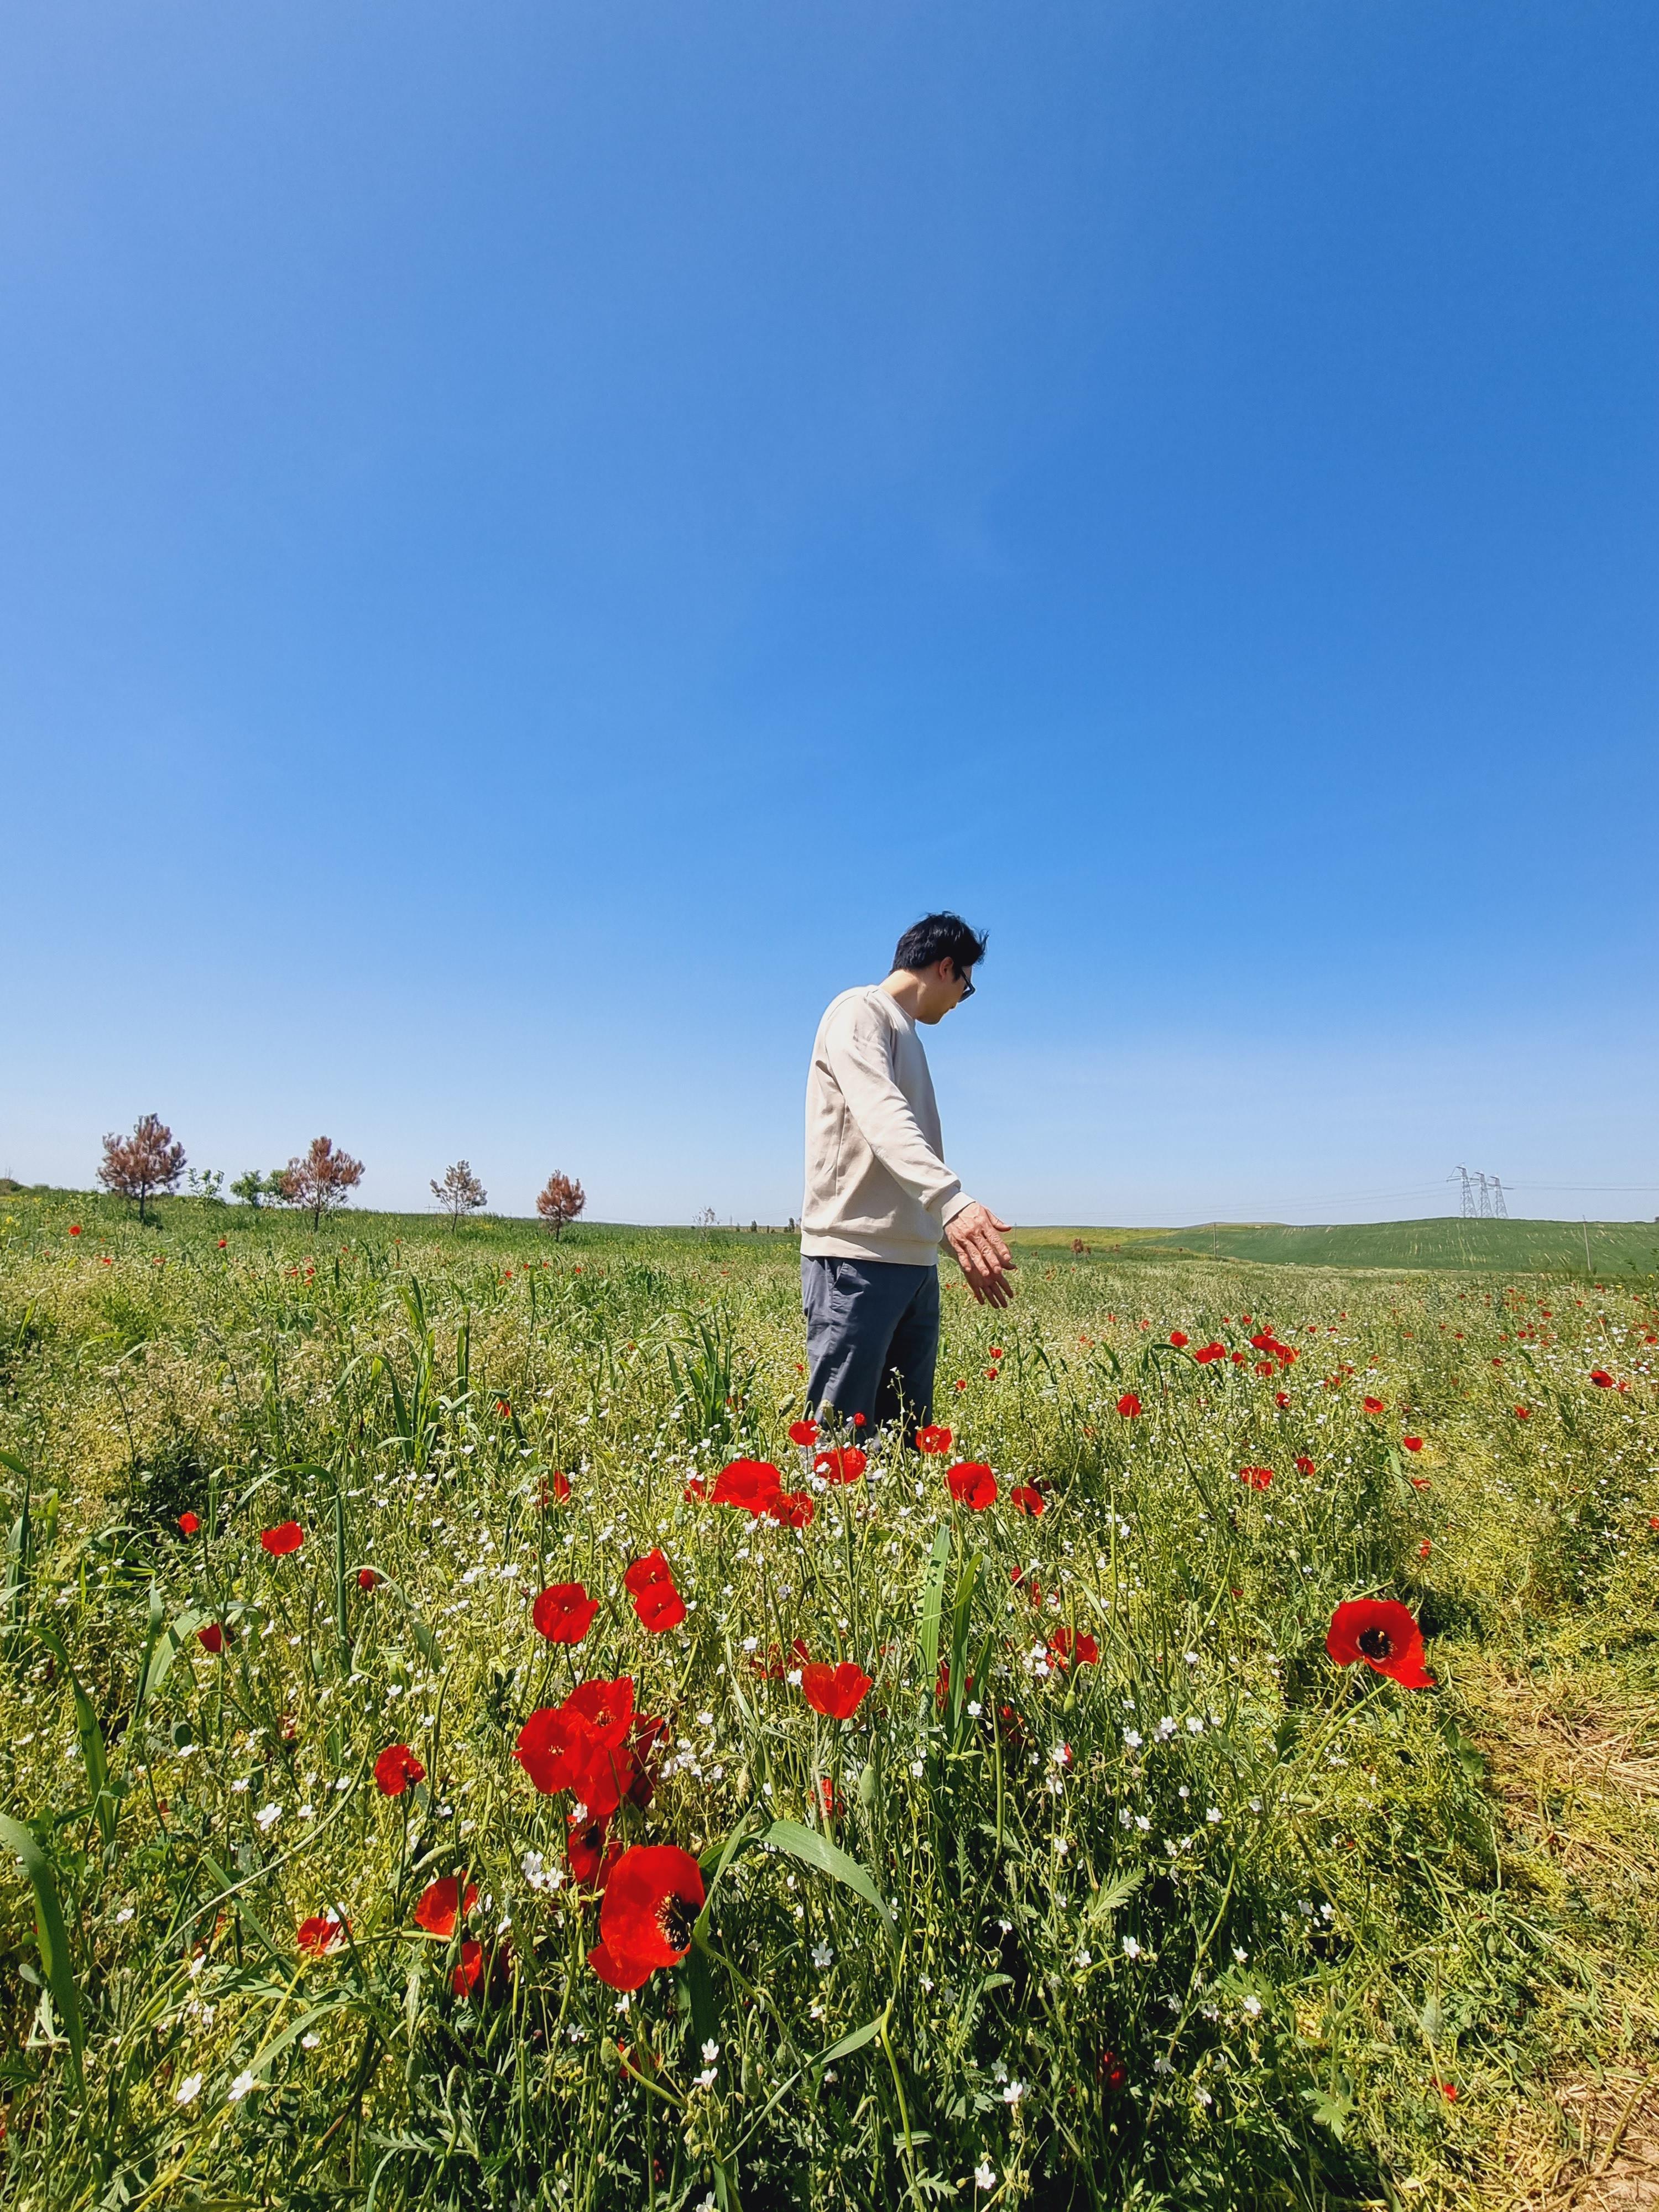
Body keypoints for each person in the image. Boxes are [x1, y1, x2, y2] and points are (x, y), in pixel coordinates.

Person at [800, 911, 1015, 1441]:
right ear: (948, 968)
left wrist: (943, 1236)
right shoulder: (859, 1012)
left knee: (905, 1441)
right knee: (840, 1448)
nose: (960, 1002)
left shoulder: (907, 1036)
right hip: (856, 1259)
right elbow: (880, 1114)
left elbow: (901, 1155)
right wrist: (953, 1202)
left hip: (913, 1266)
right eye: (966, 987)